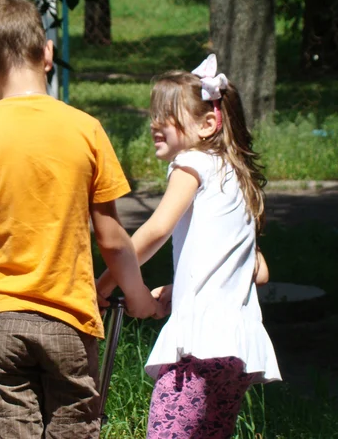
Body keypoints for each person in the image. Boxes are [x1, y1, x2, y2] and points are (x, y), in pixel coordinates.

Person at [0, 0, 160, 438]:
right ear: (48, 52)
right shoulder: (85, 129)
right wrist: (137, 294)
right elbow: (111, 237)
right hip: (69, 319)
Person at [97, 54, 281, 438]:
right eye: (153, 113)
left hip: (199, 349)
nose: (154, 123)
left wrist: (106, 283)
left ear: (207, 124)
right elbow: (258, 271)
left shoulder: (192, 163)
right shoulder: (236, 176)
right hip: (236, 353)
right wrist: (183, 289)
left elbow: (157, 229)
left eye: (167, 115)